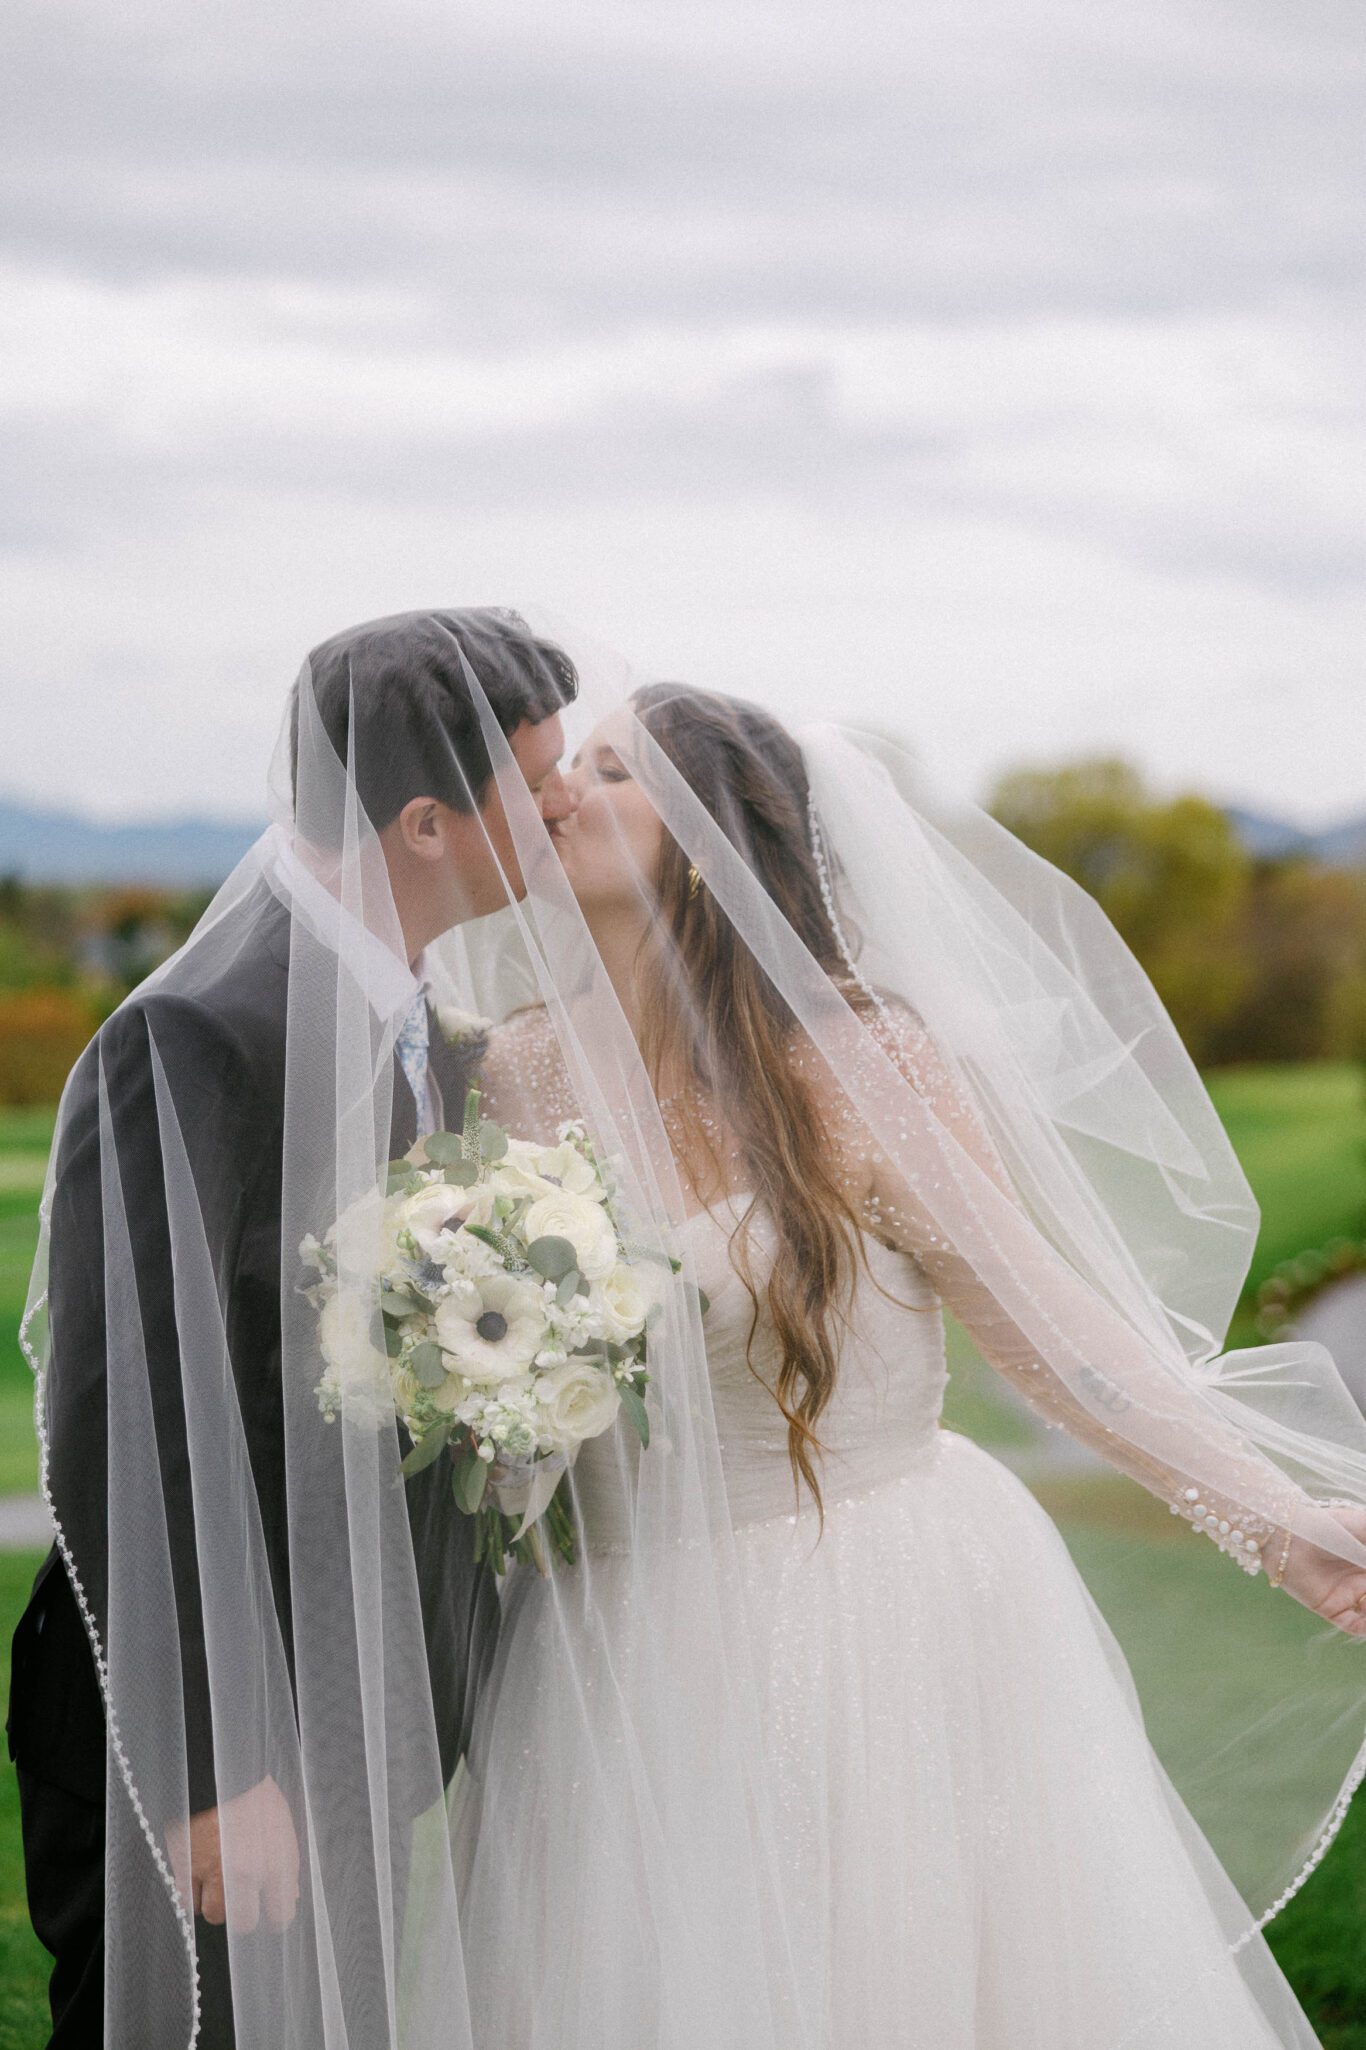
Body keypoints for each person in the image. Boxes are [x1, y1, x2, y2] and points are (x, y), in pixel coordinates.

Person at [452, 678, 1366, 2047]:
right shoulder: (509, 1074)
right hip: (600, 1639)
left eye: (611, 771)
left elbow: (1057, 1339)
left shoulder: (857, 1064)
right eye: (568, 764)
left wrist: (1282, 1525)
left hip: (860, 1605)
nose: (560, 790)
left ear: (706, 840)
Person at [7, 609, 578, 2048]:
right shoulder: (196, 1030)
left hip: (345, 1718)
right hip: (201, 1741)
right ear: (430, 820)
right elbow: (116, 1412)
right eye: (541, 777)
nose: (566, 801)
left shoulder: (411, 1016)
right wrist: (217, 1761)